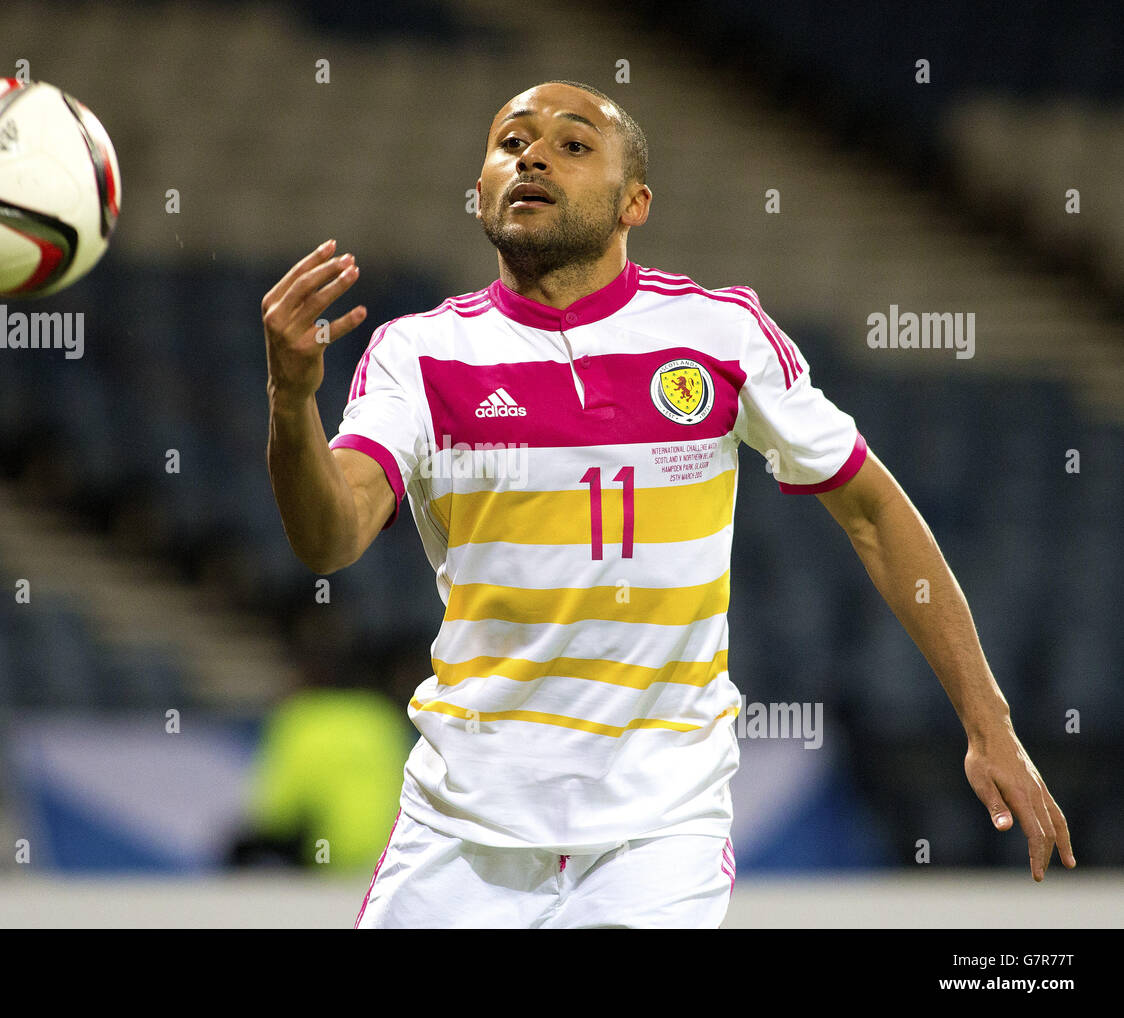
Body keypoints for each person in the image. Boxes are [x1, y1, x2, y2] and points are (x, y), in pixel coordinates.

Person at [261, 80, 1075, 928]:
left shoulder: (719, 335)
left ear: (634, 203)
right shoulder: (419, 354)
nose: (531, 155)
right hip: (462, 828)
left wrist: (989, 723)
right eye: (510, 142)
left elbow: (874, 513)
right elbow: (329, 540)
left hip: (658, 833)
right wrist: (290, 403)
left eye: (573, 145)